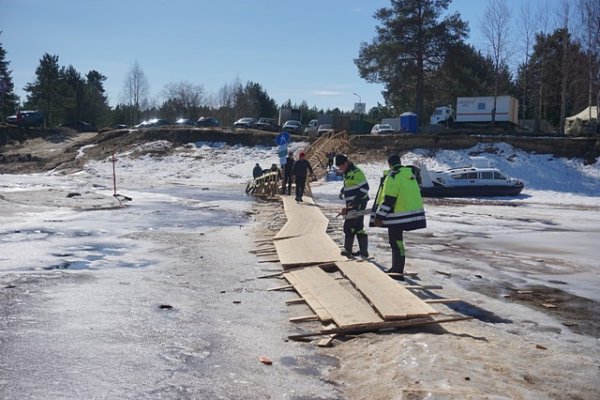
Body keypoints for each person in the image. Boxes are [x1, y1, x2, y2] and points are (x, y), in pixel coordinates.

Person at [372, 154, 426, 280]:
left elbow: (389, 199)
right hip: (409, 214)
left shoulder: (393, 176)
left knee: (396, 243)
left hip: (397, 217)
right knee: (398, 243)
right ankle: (395, 268)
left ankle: (397, 271)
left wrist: (379, 216)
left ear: (389, 164)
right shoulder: (409, 175)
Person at [335, 154, 370, 257]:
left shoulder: (356, 173)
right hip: (352, 204)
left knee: (349, 226)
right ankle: (364, 251)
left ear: (345, 163)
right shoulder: (347, 173)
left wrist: (355, 202)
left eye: (341, 166)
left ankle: (348, 250)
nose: (340, 169)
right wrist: (342, 191)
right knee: (358, 227)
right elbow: (350, 185)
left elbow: (365, 188)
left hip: (358, 203)